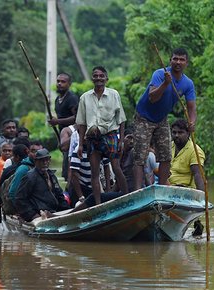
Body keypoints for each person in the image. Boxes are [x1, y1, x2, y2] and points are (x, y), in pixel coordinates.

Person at [132, 47, 196, 189]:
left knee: (166, 155)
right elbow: (152, 97)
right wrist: (166, 84)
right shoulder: (160, 74)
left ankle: (162, 188)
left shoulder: (188, 83)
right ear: (170, 60)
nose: (178, 62)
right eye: (175, 59)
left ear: (186, 63)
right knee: (140, 156)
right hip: (143, 118)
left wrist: (192, 122)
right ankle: (137, 191)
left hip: (161, 119)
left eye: (181, 59)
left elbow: (191, 107)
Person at [76, 66, 128, 205]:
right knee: (95, 172)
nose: (98, 78)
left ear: (106, 78)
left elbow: (121, 119)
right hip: (92, 138)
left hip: (110, 135)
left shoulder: (114, 94)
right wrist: (80, 144)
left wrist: (121, 141)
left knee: (116, 168)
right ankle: (98, 204)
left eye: (101, 76)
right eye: (96, 76)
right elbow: (81, 123)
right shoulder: (85, 97)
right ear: (92, 78)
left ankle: (127, 198)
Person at [168, 119, 205, 236]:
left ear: (188, 133)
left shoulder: (195, 151)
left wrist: (201, 199)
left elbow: (198, 175)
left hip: (184, 191)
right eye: (174, 132)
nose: (176, 135)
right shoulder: (170, 146)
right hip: (166, 187)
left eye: (180, 132)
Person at [14, 149, 70, 222]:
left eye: (47, 160)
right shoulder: (30, 177)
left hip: (52, 212)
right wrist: (33, 215)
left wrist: (67, 211)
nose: (45, 163)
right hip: (38, 214)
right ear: (36, 162)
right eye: (42, 160)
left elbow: (59, 195)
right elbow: (20, 198)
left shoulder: (51, 175)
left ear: (49, 161)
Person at [48, 72, 80, 183]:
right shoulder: (58, 100)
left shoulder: (72, 98)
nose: (59, 84)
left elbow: (77, 118)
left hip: (73, 136)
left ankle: (72, 187)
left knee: (71, 164)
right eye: (58, 81)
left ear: (69, 84)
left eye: (63, 82)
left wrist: (57, 121)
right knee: (66, 165)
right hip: (63, 137)